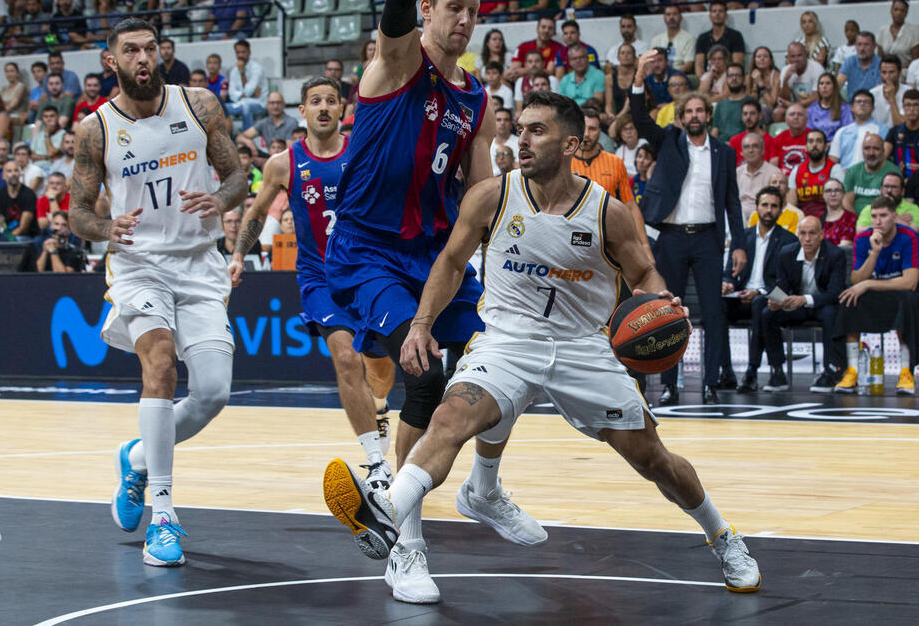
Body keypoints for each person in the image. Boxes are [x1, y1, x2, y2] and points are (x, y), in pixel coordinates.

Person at [322, 90, 762, 596]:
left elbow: (644, 272)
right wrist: (422, 322)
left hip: (582, 346)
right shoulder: (491, 196)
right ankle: (387, 512)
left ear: (571, 142)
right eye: (520, 128)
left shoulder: (608, 212)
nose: (521, 140)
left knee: (652, 460)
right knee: (449, 418)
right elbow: (448, 262)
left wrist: (662, 303)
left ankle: (723, 536)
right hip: (507, 341)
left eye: (537, 131)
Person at [322, 0, 544, 604]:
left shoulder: (476, 98)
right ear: (427, 9)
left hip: (434, 255)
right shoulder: (394, 63)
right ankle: (406, 549)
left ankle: (485, 487)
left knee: (509, 358)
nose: (464, 21)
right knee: (422, 376)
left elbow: (478, 192)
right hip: (368, 253)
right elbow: (393, 0)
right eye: (452, 7)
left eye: (473, 11)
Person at [68, 18, 248, 568]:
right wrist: (106, 229)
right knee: (161, 362)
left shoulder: (199, 104)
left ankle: (139, 457)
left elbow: (239, 175)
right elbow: (77, 213)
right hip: (139, 266)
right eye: (132, 51)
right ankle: (164, 515)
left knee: (214, 393)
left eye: (150, 48)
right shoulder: (95, 130)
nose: (144, 58)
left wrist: (221, 199)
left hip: (198, 265)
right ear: (111, 62)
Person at [230, 76, 397, 493]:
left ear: (343, 110)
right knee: (344, 357)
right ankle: (376, 464)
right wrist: (237, 254)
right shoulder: (284, 163)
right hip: (320, 276)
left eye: (331, 101)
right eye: (314, 101)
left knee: (379, 370)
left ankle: (378, 404)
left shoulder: (362, 150)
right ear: (301, 112)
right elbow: (256, 213)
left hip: (369, 270)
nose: (323, 107)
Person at [631, 48, 746, 404]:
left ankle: (712, 382)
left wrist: (739, 243)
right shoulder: (669, 140)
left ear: (708, 115)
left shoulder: (724, 152)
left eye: (700, 110)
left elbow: (732, 201)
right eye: (689, 111)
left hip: (709, 238)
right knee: (668, 313)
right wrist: (638, 79)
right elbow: (640, 120)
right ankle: (669, 384)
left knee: (713, 312)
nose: (695, 115)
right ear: (681, 117)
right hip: (672, 237)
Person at [834, 195, 919, 395]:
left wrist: (869, 283)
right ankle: (852, 370)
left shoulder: (908, 237)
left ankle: (906, 371)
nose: (878, 221)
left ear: (894, 217)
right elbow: (856, 280)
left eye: (883, 216)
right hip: (880, 294)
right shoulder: (863, 239)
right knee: (850, 298)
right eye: (874, 216)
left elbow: (910, 282)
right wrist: (874, 253)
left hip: (902, 294)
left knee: (908, 301)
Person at [723, 186, 798, 393]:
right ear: (756, 207)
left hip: (772, 296)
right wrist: (727, 282)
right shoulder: (742, 239)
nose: (768, 210)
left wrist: (760, 292)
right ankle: (725, 370)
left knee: (760, 305)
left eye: (774, 206)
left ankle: (752, 371)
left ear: (781, 210)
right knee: (717, 306)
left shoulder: (789, 240)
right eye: (764, 205)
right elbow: (730, 272)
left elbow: (788, 284)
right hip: (740, 296)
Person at [764, 216, 847, 392]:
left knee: (831, 313)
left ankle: (831, 371)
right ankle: (777, 371)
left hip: (823, 304)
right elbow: (782, 286)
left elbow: (835, 293)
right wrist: (778, 301)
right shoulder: (787, 253)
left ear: (821, 235)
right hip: (797, 306)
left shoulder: (835, 255)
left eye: (812, 233)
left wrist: (804, 299)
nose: (807, 239)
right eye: (803, 233)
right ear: (797, 235)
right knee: (767, 313)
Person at [571, 107, 649, 252]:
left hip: (606, 240)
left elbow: (630, 206)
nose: (587, 134)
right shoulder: (563, 163)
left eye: (593, 129)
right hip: (571, 239)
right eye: (583, 128)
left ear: (600, 132)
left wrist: (645, 246)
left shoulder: (615, 163)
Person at [789, 129, 845, 220]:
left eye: (819, 141)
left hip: (829, 220)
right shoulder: (796, 170)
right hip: (802, 221)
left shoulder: (835, 169)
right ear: (805, 147)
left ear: (826, 147)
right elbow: (791, 206)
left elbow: (841, 203)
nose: (814, 145)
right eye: (811, 141)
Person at [843, 133, 902, 215]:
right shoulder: (853, 171)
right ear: (862, 150)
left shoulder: (893, 173)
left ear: (883, 151)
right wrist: (857, 221)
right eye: (867, 148)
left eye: (876, 149)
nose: (871, 153)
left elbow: (895, 204)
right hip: (855, 219)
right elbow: (847, 202)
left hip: (882, 220)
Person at [774, 42, 824, 124]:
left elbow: (817, 98)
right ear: (788, 58)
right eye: (793, 56)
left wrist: (793, 105)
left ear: (806, 55)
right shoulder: (785, 70)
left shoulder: (817, 68)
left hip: (814, 106)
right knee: (778, 113)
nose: (796, 59)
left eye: (799, 55)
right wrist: (786, 79)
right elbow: (784, 99)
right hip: (795, 106)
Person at [736, 132, 781, 224]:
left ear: (763, 150)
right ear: (742, 152)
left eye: (755, 146)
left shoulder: (774, 173)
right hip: (739, 219)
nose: (750, 150)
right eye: (746, 147)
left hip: (764, 219)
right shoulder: (737, 173)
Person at [226, 39, 268, 131]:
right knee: (221, 108)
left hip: (259, 104)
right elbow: (231, 93)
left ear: (249, 52)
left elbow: (248, 92)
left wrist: (242, 73)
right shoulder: (234, 70)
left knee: (246, 107)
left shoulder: (257, 69)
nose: (240, 55)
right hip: (240, 103)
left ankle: (246, 138)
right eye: (238, 52)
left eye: (243, 52)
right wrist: (244, 95)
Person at [694, 3, 745, 75]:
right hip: (708, 77)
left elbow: (737, 63)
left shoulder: (736, 36)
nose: (717, 14)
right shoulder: (702, 38)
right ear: (710, 16)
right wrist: (703, 81)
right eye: (714, 11)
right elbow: (699, 64)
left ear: (726, 15)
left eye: (720, 11)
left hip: (728, 78)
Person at [0, 160, 38, 239]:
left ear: (20, 174)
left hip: (25, 236)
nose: (13, 174)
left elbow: (23, 228)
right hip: (5, 234)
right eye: (9, 171)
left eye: (16, 170)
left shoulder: (29, 194)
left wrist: (8, 239)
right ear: (3, 175)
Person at [650, 4, 695, 74]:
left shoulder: (689, 38)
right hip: (659, 75)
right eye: (668, 14)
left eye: (675, 14)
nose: (671, 17)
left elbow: (688, 64)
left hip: (679, 75)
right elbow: (651, 62)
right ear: (664, 18)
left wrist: (671, 75)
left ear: (680, 17)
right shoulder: (656, 40)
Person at [876, 0, 919, 70]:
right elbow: (879, 58)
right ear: (891, 11)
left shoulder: (914, 31)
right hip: (886, 73)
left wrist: (898, 69)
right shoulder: (882, 31)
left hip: (906, 73)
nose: (899, 13)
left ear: (906, 13)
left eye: (902, 10)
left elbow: (915, 61)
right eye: (896, 9)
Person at [807, 72, 852, 141]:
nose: (824, 87)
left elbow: (847, 132)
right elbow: (808, 131)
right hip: (816, 147)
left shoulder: (845, 108)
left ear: (834, 87)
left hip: (837, 146)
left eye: (828, 83)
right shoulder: (812, 108)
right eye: (821, 83)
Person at [710, 64, 749, 141]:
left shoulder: (751, 103)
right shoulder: (720, 105)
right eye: (730, 75)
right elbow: (715, 130)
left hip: (743, 146)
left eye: (737, 75)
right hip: (722, 146)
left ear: (743, 79)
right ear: (726, 79)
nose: (734, 78)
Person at [837, 32, 882, 99]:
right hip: (852, 105)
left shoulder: (880, 64)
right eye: (859, 44)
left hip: (873, 104)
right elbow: (838, 83)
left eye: (866, 45)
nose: (862, 48)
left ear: (874, 46)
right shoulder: (850, 61)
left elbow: (879, 91)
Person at [888, 89, 919, 181]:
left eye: (916, 105)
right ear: (903, 107)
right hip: (899, 181)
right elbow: (882, 156)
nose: (912, 109)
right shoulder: (894, 131)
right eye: (908, 105)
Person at [770, 103, 809, 176]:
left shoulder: (813, 137)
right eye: (792, 114)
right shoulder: (778, 139)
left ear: (807, 120)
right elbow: (773, 167)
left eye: (800, 114)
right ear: (786, 120)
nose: (796, 117)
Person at [871, 57, 908, 129]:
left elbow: (902, 126)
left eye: (891, 72)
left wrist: (892, 98)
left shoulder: (909, 93)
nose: (887, 77)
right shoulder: (872, 94)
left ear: (899, 73)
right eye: (884, 72)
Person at [822, 179, 857, 247]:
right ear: (823, 195)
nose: (833, 194)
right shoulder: (818, 219)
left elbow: (845, 246)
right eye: (828, 191)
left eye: (837, 190)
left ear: (843, 194)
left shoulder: (851, 218)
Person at [490, 108, 519, 176]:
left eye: (506, 120)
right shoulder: (487, 145)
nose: (502, 123)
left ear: (511, 124)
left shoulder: (520, 143)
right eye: (498, 120)